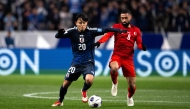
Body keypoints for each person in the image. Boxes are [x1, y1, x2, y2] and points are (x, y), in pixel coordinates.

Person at [51, 13, 126, 107]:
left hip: (88, 62)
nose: (82, 25)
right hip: (76, 63)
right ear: (76, 23)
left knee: (89, 80)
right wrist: (59, 33)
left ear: (87, 23)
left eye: (84, 23)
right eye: (80, 22)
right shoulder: (72, 31)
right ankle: (60, 101)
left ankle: (84, 90)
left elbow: (106, 29)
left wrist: (118, 30)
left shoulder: (91, 31)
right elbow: (57, 36)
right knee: (66, 84)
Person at [94, 9, 146, 106]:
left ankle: (129, 97)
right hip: (117, 55)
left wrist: (142, 47)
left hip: (128, 59)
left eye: (126, 18)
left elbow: (139, 44)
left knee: (132, 85)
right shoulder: (116, 27)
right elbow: (108, 35)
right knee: (114, 68)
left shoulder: (136, 30)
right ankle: (115, 83)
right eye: (122, 18)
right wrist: (99, 42)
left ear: (130, 17)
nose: (124, 20)